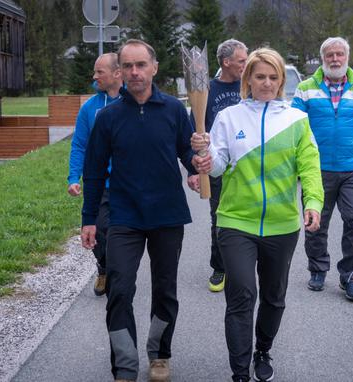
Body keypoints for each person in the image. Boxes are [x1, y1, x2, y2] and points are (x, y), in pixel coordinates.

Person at [192, 48, 324, 382]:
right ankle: (239, 372)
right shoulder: (229, 117)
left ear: (281, 81)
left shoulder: (296, 120)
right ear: (248, 79)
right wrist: (206, 162)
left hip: (281, 224)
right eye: (260, 76)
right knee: (241, 295)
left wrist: (313, 203)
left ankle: (262, 349)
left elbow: (309, 167)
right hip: (236, 220)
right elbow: (218, 163)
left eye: (273, 77)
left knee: (273, 298)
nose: (266, 83)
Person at [81, 39, 202, 382]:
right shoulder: (108, 117)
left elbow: (185, 151)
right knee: (119, 289)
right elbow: (93, 170)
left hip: (167, 215)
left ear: (154, 67)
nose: (135, 72)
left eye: (141, 65)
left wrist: (195, 166)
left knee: (165, 289)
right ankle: (124, 365)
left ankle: (160, 354)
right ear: (120, 71)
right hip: (124, 216)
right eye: (128, 66)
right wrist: (89, 219)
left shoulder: (174, 111)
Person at [292, 36, 353, 302]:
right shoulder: (305, 89)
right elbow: (291, 129)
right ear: (323, 59)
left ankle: (350, 275)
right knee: (315, 225)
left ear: (347, 58)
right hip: (316, 171)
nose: (335, 59)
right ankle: (318, 269)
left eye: (339, 55)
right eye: (330, 55)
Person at [186, 39, 248, 292]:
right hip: (216, 165)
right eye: (242, 60)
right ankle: (219, 268)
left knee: (248, 219)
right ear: (226, 62)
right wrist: (193, 169)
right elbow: (194, 129)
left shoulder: (250, 85)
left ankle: (244, 266)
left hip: (247, 166)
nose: (246, 64)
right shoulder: (207, 90)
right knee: (219, 219)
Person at [68, 53, 122, 296]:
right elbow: (79, 144)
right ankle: (103, 267)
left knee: (120, 234)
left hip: (126, 183)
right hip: (98, 182)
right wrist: (73, 177)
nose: (94, 76)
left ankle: (118, 274)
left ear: (116, 73)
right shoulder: (90, 108)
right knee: (97, 230)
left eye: (99, 71)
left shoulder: (131, 103)